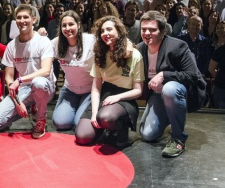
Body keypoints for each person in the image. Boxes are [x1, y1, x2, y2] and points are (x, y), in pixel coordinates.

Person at [138, 11, 205, 157]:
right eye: (144, 29)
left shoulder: (177, 46)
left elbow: (193, 75)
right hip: (157, 95)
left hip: (178, 92)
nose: (147, 33)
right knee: (147, 135)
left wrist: (163, 75)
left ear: (162, 31)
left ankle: (178, 138)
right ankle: (171, 115)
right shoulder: (140, 49)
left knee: (169, 89)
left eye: (152, 29)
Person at [0, 4, 56, 139]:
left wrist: (19, 80)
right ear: (15, 21)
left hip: (45, 86)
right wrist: (18, 103)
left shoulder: (43, 41)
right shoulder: (11, 46)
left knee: (38, 83)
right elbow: (8, 77)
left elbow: (46, 70)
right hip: (24, 89)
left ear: (34, 20)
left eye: (26, 17)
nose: (22, 20)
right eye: (19, 18)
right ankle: (31, 107)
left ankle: (40, 119)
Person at [75, 16, 144, 146]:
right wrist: (94, 112)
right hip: (105, 94)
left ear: (119, 31)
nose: (105, 33)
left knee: (106, 118)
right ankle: (105, 127)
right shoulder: (100, 54)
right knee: (83, 137)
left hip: (125, 97)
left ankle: (121, 128)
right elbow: (96, 87)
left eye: (109, 29)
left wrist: (117, 97)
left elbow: (138, 91)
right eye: (102, 31)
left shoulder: (134, 54)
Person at [51, 11, 95, 130]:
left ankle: (81, 110)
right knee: (61, 123)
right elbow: (40, 48)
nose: (67, 28)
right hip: (70, 89)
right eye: (64, 25)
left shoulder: (91, 40)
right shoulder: (56, 43)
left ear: (78, 25)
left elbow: (111, 41)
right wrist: (38, 33)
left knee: (79, 124)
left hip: (89, 91)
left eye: (71, 24)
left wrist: (128, 44)